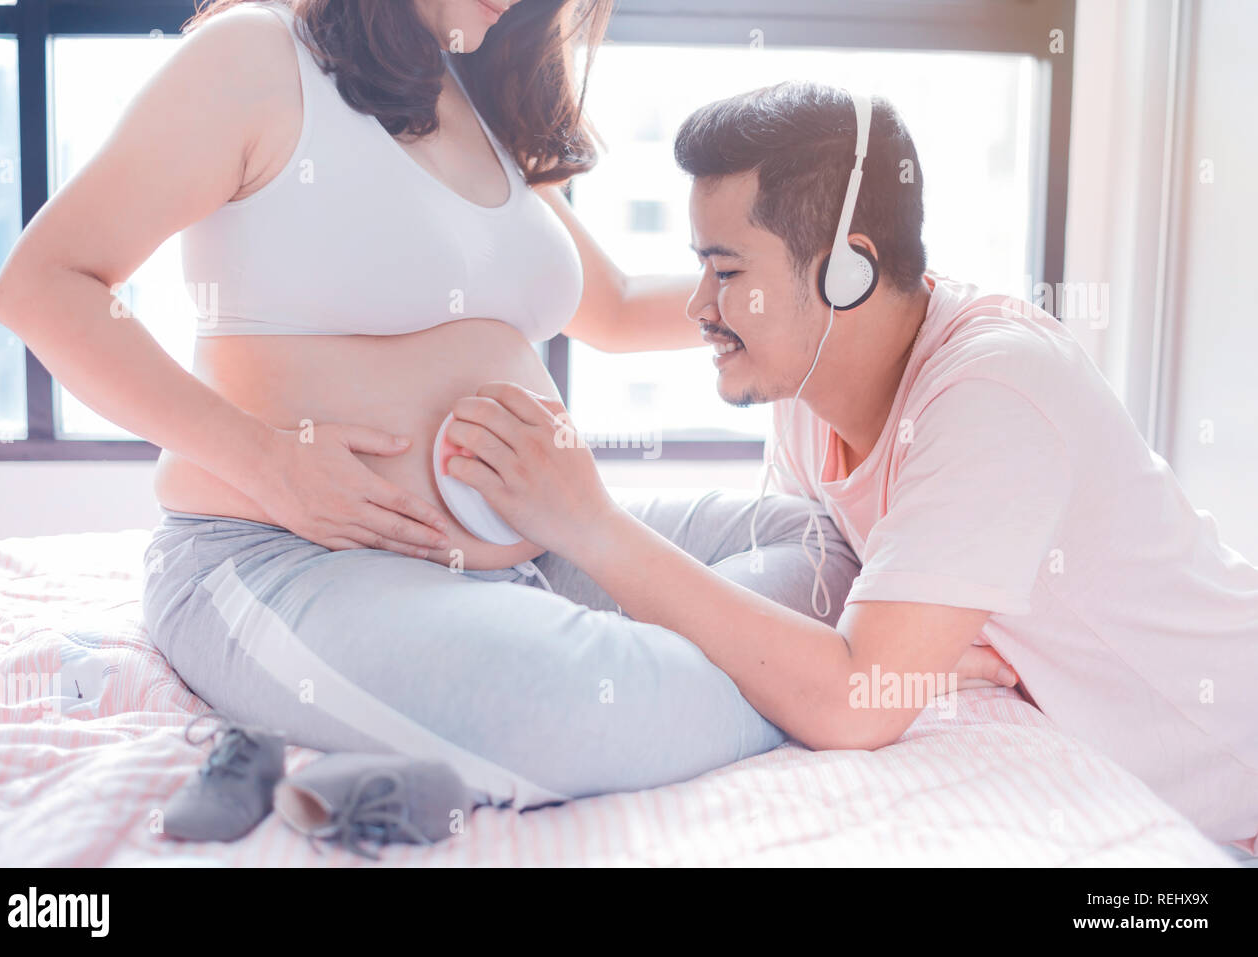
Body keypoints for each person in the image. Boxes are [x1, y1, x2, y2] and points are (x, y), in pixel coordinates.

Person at [0, 0, 1016, 809]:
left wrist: (873, 301)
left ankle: (633, 684)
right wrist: (266, 459)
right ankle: (779, 695)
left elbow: (608, 308)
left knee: (821, 548)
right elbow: (45, 285)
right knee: (585, 709)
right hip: (280, 555)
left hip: (526, 548)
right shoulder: (258, 58)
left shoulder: (475, 101)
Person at [447, 81, 1258, 849]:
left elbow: (851, 699)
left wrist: (594, 525)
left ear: (848, 271)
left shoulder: (995, 391)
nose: (699, 306)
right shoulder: (812, 386)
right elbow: (817, 635)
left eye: (726, 272)